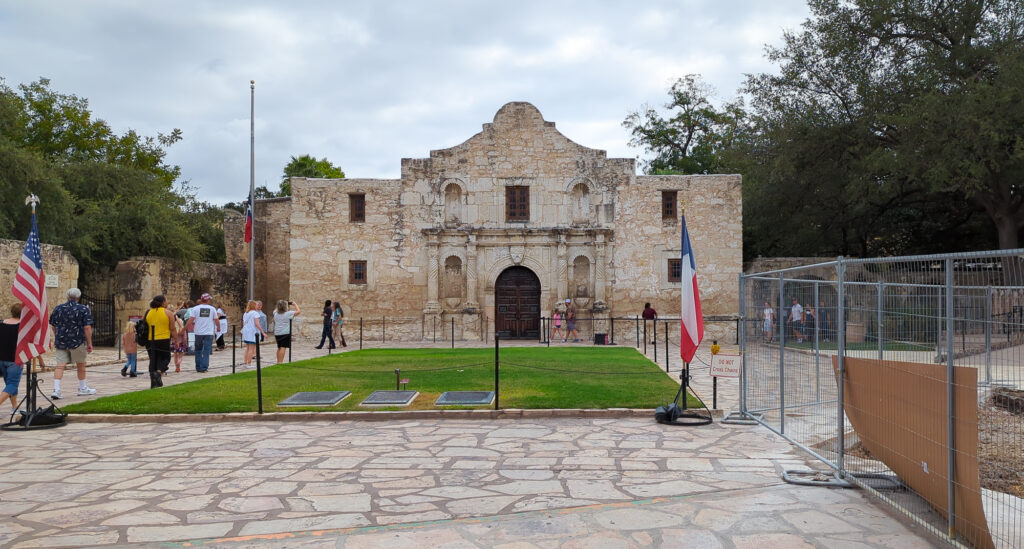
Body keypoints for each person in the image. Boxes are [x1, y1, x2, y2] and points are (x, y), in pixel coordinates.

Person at [49, 287, 95, 399]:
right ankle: (82, 387)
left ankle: (56, 389)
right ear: (78, 297)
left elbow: (53, 325)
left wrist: (58, 337)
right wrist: (89, 343)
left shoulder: (58, 308)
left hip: (61, 342)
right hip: (77, 341)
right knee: (81, 364)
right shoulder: (83, 309)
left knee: (60, 365)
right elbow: (87, 327)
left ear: (67, 296)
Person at [144, 295, 177, 388]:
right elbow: (172, 328)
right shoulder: (168, 313)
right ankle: (158, 374)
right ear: (163, 302)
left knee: (153, 360)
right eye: (166, 301)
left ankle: (155, 380)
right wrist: (176, 340)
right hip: (164, 339)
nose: (167, 303)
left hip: (151, 340)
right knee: (166, 358)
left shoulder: (148, 313)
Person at [0, 303, 25, 412]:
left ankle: (15, 407)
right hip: (14, 359)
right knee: (12, 384)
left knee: (9, 384)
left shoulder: (1, 324)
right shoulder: (22, 327)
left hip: (1, 359)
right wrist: (40, 360)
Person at [185, 293, 218, 373]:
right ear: (208, 300)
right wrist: (219, 328)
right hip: (208, 333)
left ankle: (198, 367)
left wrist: (184, 328)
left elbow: (191, 319)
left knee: (198, 350)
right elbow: (216, 319)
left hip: (198, 332)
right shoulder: (212, 309)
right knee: (206, 351)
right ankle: (204, 367)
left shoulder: (195, 309)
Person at [241, 300, 267, 367]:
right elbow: (257, 324)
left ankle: (245, 363)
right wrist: (262, 332)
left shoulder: (246, 313)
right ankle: (249, 363)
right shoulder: (255, 313)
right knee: (251, 349)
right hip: (252, 332)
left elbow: (243, 323)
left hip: (246, 332)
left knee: (247, 348)